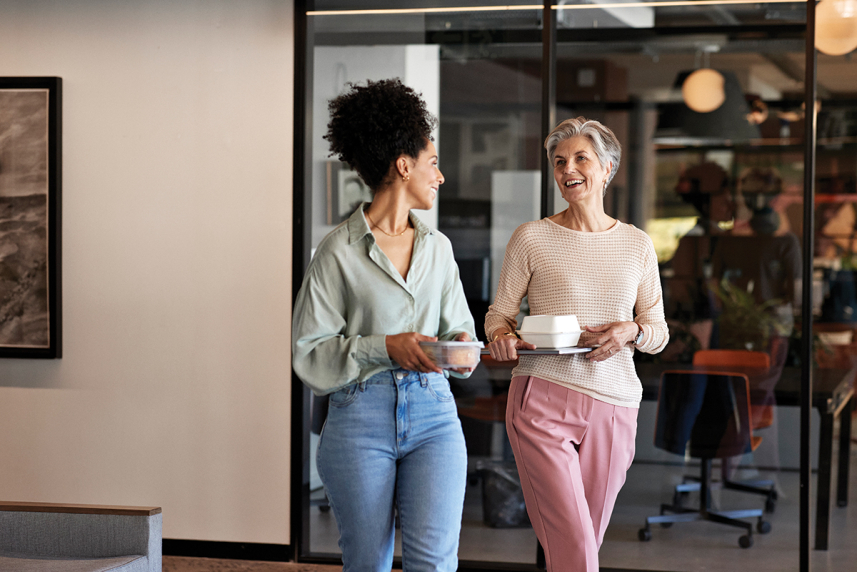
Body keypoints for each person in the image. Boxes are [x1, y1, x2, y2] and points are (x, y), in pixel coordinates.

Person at [292, 78, 476, 572]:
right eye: (432, 162)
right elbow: (309, 353)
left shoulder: (439, 248)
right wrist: (385, 347)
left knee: (434, 563)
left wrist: (462, 346)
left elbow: (460, 329)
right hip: (359, 418)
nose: (440, 176)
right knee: (367, 562)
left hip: (434, 414)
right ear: (403, 165)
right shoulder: (337, 251)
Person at [485, 117, 669, 572]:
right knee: (573, 541)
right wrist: (502, 337)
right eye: (559, 161)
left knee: (584, 540)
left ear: (607, 168)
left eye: (580, 158)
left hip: (615, 405)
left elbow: (658, 331)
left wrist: (630, 330)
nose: (568, 168)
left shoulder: (638, 244)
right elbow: (499, 315)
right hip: (542, 397)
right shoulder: (532, 237)